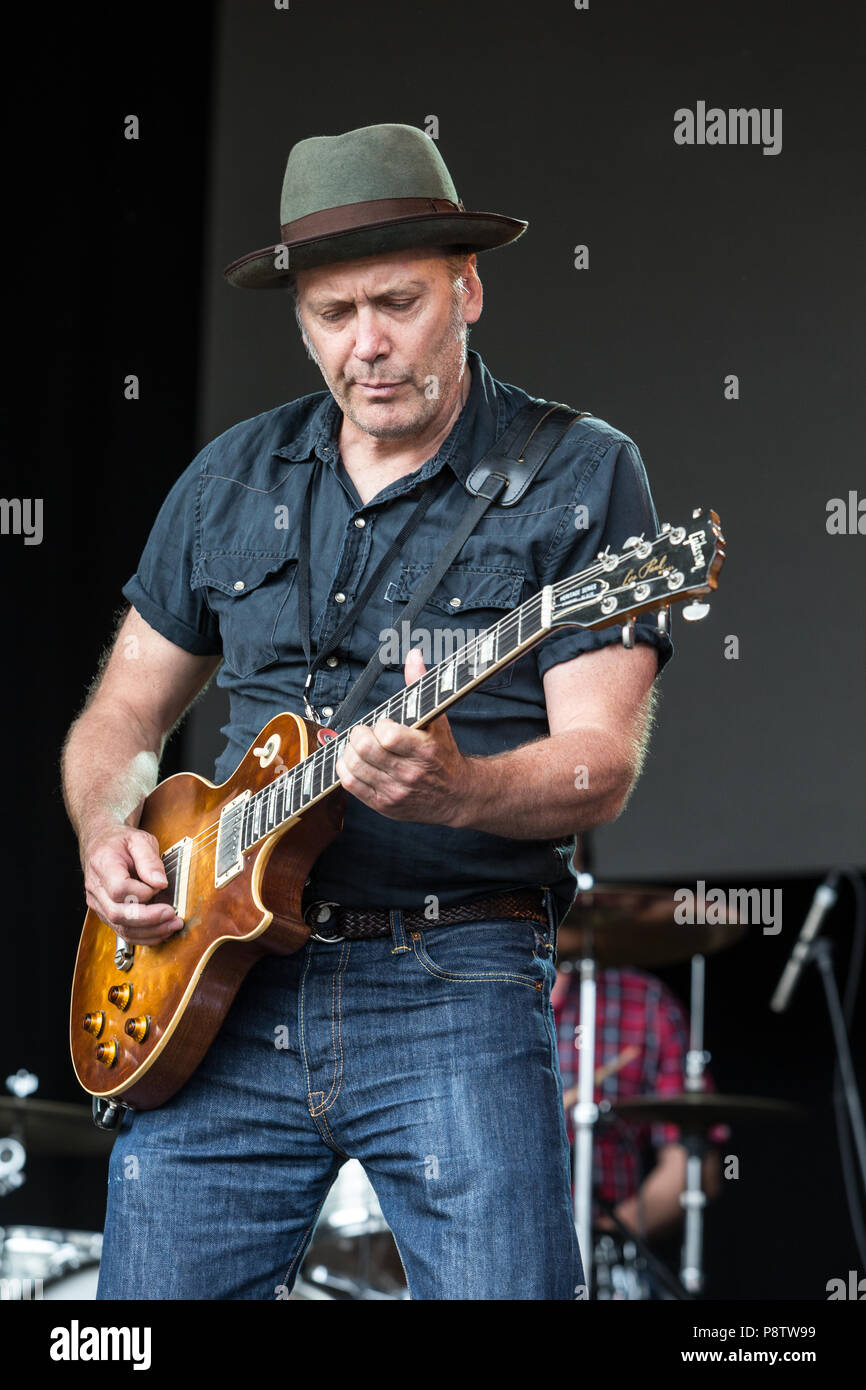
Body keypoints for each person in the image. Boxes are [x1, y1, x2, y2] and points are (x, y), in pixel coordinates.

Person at [61, 122, 673, 1300]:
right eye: (332, 316)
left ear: (468, 288)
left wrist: (463, 788)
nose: (368, 345)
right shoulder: (228, 478)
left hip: (451, 968)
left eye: (397, 303)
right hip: (218, 989)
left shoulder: (580, 474)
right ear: (298, 317)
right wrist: (107, 830)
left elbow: (602, 761)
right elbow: (118, 719)